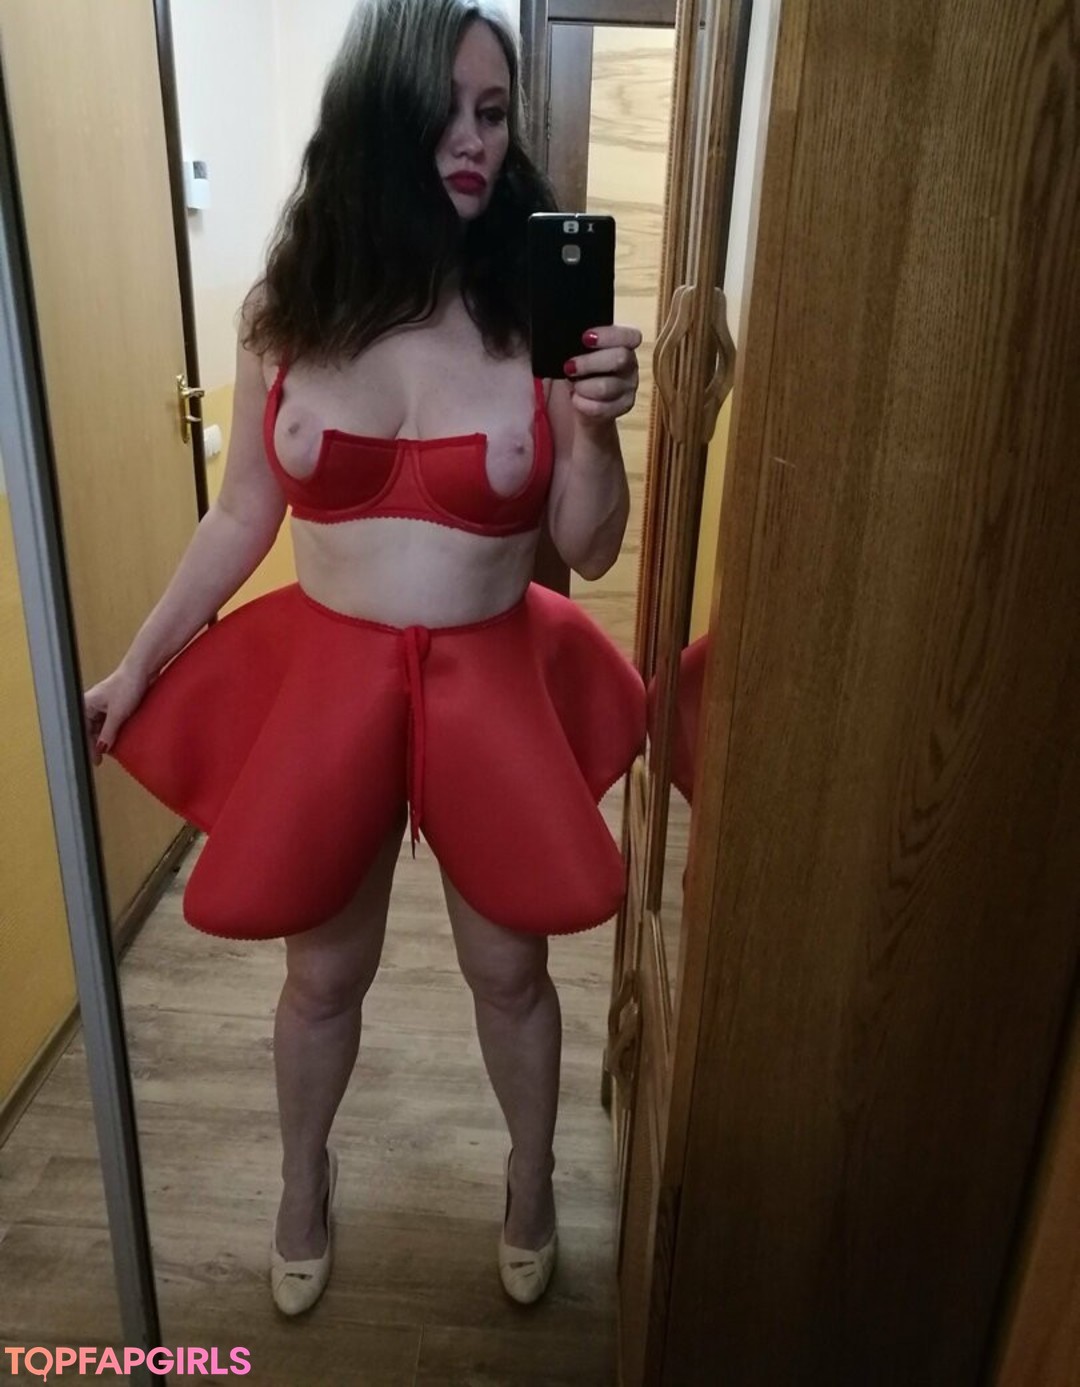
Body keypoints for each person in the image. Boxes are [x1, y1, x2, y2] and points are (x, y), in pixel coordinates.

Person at [83, 0, 645, 1314]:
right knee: (324, 974)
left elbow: (589, 545)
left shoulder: (533, 308)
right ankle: (303, 1179)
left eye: (493, 113)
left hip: (492, 678)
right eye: (442, 111)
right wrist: (140, 661)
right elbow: (241, 514)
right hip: (330, 683)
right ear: (376, 120)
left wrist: (598, 429)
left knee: (508, 971)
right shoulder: (286, 309)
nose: (473, 139)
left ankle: (529, 1177)